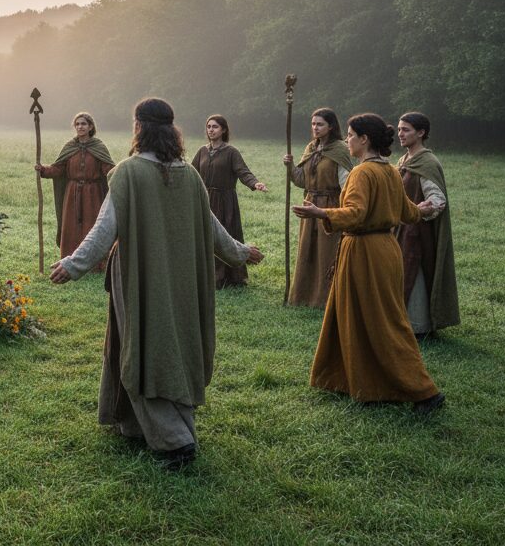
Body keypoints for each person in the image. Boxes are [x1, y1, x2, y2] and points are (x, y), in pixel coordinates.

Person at [50, 98, 263, 470]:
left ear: (139, 127)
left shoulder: (129, 172)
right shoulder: (189, 173)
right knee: (169, 344)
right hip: (182, 279)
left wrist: (73, 264)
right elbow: (213, 229)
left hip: (137, 275)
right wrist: (240, 252)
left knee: (145, 346)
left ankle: (175, 441)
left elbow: (105, 229)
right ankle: (132, 423)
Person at [293, 113, 444, 415]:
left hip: (364, 251)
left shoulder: (363, 173)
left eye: (350, 135)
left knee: (383, 322)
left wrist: (321, 213)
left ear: (364, 139)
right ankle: (345, 379)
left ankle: (424, 391)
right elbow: (407, 212)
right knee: (350, 314)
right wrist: (422, 208)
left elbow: (356, 213)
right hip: (385, 250)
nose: (347, 139)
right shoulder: (390, 170)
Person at [396, 112, 459, 339]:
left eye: (406, 130)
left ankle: (418, 326)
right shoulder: (404, 160)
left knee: (415, 275)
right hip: (402, 227)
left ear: (421, 133)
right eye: (400, 129)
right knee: (400, 273)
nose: (400, 134)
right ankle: (400, 323)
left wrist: (420, 211)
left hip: (417, 231)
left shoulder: (427, 162)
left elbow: (438, 200)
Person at [283, 108, 352, 307]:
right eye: (313, 124)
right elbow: (301, 181)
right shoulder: (311, 148)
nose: (315, 127)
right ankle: (304, 295)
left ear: (331, 126)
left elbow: (347, 183)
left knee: (327, 250)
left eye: (320, 124)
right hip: (309, 204)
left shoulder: (340, 149)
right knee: (308, 250)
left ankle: (327, 298)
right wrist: (291, 166)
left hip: (330, 205)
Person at [191, 115, 268, 287]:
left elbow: (243, 172)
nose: (211, 130)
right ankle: (207, 274)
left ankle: (228, 277)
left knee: (225, 236)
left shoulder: (231, 152)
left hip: (225, 201)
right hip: (204, 199)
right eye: (209, 126)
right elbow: (191, 173)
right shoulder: (202, 151)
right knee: (205, 236)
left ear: (223, 130)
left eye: (215, 127)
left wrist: (255, 183)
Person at [36, 112, 115, 270]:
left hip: (93, 195)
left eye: (84, 124)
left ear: (90, 126)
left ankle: (95, 264)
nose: (80, 127)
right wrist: (43, 170)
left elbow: (108, 169)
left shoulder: (98, 146)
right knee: (71, 227)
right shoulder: (70, 147)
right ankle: (69, 262)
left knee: (92, 226)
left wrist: (121, 174)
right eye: (77, 124)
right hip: (72, 194)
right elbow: (58, 169)